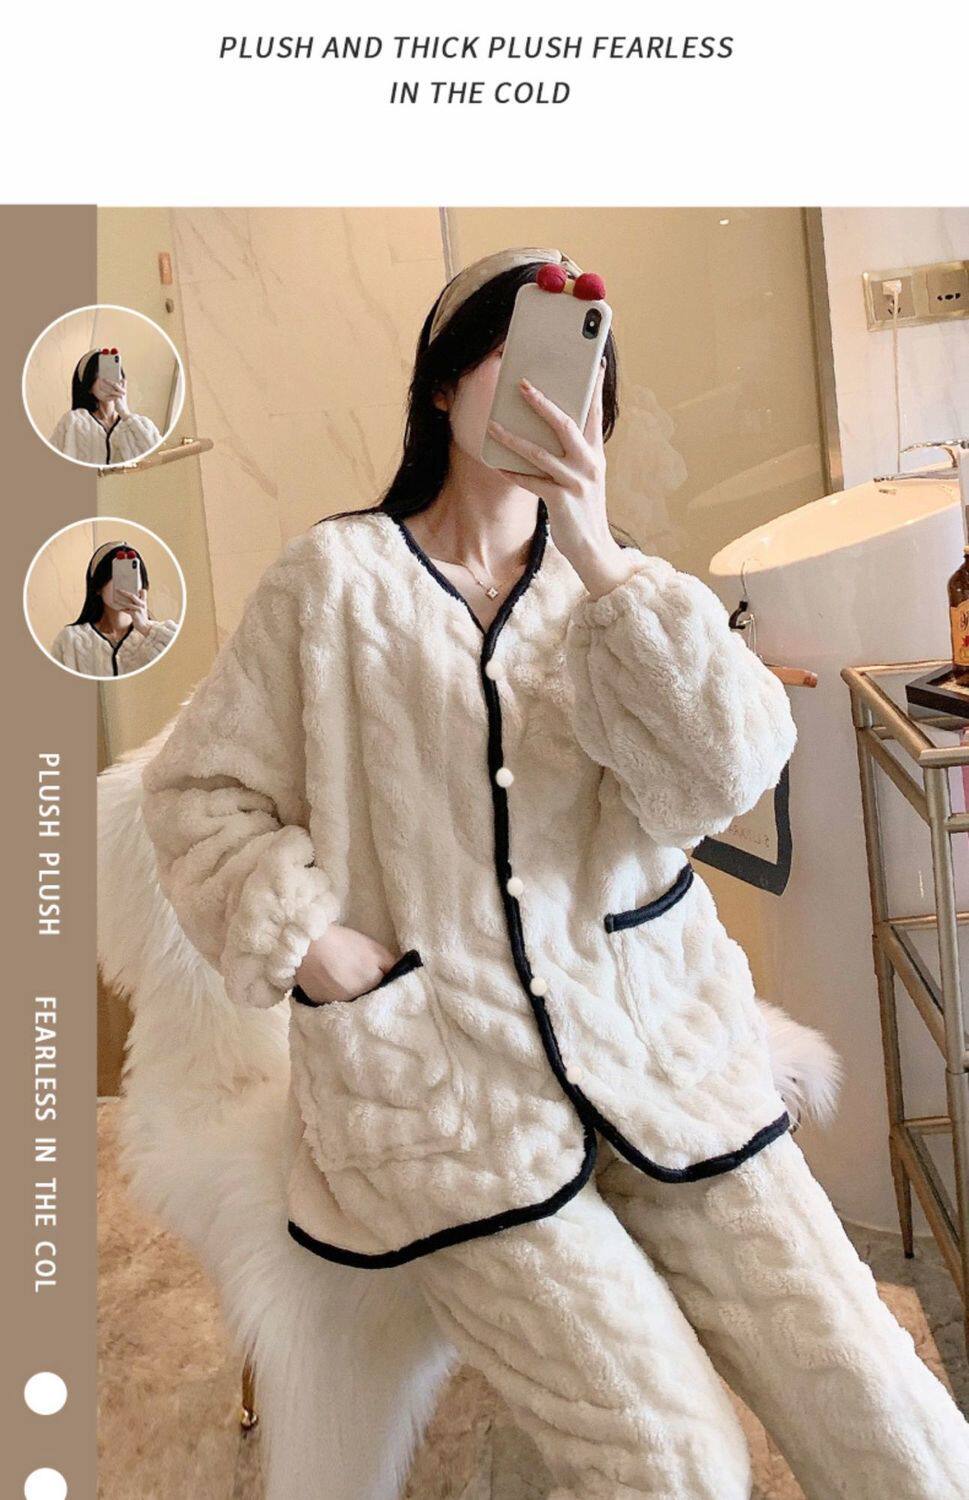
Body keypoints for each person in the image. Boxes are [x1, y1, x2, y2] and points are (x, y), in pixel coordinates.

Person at [141, 248, 969, 1499]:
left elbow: (726, 777)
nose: (542, 393)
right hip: (449, 1093)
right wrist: (316, 947)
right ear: (439, 387)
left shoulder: (619, 590)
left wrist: (595, 549)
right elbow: (197, 792)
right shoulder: (331, 585)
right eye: (508, 355)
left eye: (576, 369)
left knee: (881, 1401)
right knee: (673, 1460)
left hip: (663, 1053)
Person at [50, 540, 178, 677]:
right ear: (98, 587)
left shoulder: (162, 636)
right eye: (117, 576)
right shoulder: (69, 640)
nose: (124, 585)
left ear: (143, 585)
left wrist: (146, 627)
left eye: (131, 577)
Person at [48, 349, 162, 464]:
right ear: (89, 386)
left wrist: (125, 414)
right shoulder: (72, 421)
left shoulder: (142, 425)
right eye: (100, 374)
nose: (107, 380)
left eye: (112, 372)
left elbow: (158, 460)